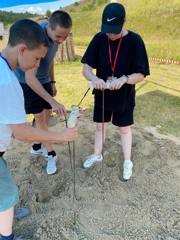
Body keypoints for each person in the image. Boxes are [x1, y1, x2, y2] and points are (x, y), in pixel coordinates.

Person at [0, 19, 78, 240]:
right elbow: (21, 132)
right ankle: (7, 235)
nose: (37, 65)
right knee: (7, 195)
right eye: (36, 59)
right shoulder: (8, 82)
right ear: (22, 49)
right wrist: (59, 136)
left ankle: (5, 212)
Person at [81, 2, 150, 180]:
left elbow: (141, 74)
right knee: (100, 127)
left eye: (114, 30)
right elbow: (86, 67)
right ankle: (97, 154)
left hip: (124, 95)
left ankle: (128, 161)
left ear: (123, 22)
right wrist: (94, 78)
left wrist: (125, 79)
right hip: (103, 94)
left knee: (124, 129)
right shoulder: (99, 38)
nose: (110, 34)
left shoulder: (135, 41)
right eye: (107, 30)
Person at [15, 10, 72, 175]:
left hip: (44, 79)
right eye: (58, 37)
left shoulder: (56, 38)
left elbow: (50, 60)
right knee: (40, 119)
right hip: (28, 82)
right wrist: (54, 102)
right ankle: (51, 153)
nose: (61, 41)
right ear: (49, 27)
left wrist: (52, 81)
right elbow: (30, 78)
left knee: (46, 117)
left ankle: (36, 146)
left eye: (65, 37)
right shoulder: (36, 39)